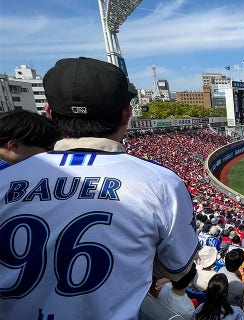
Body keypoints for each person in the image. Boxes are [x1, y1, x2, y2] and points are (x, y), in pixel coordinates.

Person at [0, 57, 198, 319]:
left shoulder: (5, 180)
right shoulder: (160, 182)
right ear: (126, 114)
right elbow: (178, 269)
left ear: (48, 112)